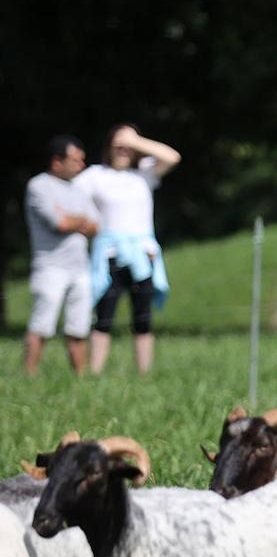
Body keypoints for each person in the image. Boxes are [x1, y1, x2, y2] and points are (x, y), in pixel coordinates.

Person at [75, 123, 180, 374]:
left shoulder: (144, 174)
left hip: (143, 254)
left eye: (128, 147)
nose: (123, 151)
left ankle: (144, 373)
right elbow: (71, 197)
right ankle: (95, 371)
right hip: (110, 254)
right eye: (118, 146)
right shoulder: (95, 176)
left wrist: (135, 140)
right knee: (104, 315)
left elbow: (173, 157)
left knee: (142, 317)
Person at [23, 135, 97, 375]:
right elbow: (60, 224)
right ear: (57, 162)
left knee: (79, 326)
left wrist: (71, 218)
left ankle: (80, 377)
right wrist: (76, 220)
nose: (81, 165)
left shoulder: (78, 188)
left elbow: (96, 225)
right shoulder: (38, 186)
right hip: (50, 267)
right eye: (75, 160)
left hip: (80, 268)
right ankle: (30, 374)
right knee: (42, 324)